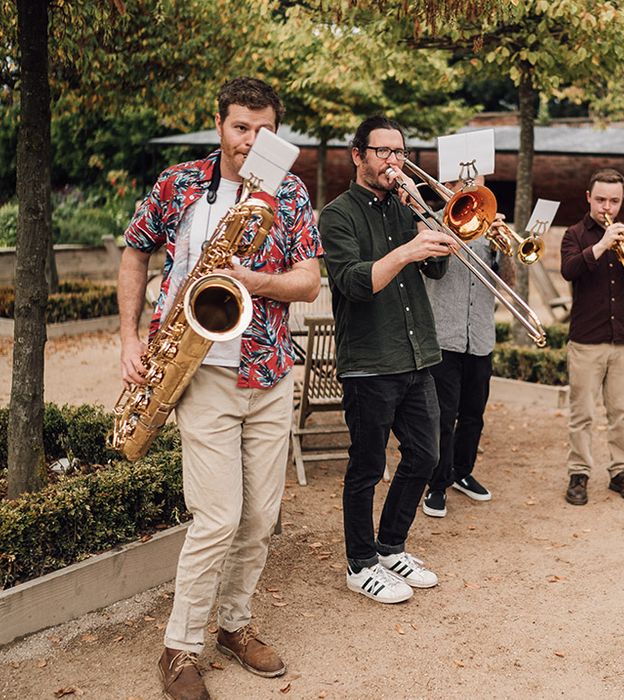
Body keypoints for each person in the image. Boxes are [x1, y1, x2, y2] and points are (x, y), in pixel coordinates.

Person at [118, 77, 322, 700]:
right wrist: (128, 339)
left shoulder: (288, 191)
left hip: (267, 372)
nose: (250, 141)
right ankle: (179, 648)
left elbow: (310, 280)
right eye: (240, 127)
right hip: (199, 368)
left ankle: (234, 624)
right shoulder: (179, 184)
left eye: (263, 130)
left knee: (260, 517)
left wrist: (255, 282)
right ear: (219, 124)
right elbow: (135, 253)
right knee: (217, 517)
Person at [318, 115, 456, 604]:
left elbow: (436, 266)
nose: (394, 162)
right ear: (358, 155)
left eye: (400, 153)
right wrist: (406, 250)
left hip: (417, 354)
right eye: (384, 152)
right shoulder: (336, 215)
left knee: (427, 454)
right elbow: (354, 282)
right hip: (370, 361)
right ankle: (359, 563)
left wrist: (437, 225)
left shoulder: (405, 208)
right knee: (367, 466)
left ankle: (391, 545)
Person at [421, 177, 512, 518]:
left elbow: (508, 286)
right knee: (443, 417)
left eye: (475, 180)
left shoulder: (492, 227)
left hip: (481, 336)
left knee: (473, 415)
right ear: (446, 182)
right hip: (445, 335)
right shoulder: (430, 222)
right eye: (462, 180)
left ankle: (462, 472)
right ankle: (437, 483)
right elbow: (431, 273)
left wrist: (506, 252)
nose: (469, 185)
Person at [560, 168, 624, 507]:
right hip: (586, 340)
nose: (606, 206)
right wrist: (600, 247)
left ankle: (621, 472)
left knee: (621, 412)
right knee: (582, 413)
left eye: (613, 200)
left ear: (622, 201)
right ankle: (579, 473)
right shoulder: (575, 233)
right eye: (600, 199)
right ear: (588, 198)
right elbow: (569, 270)